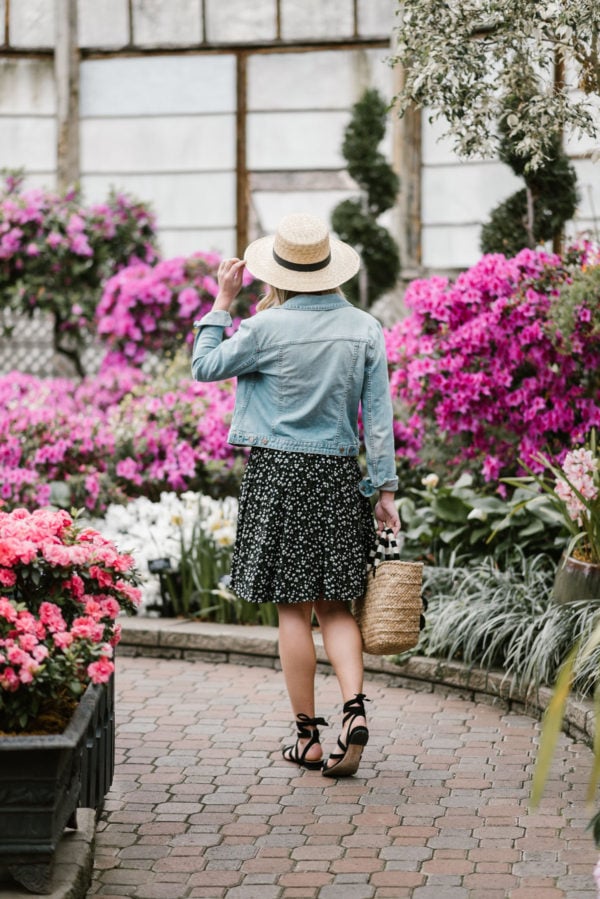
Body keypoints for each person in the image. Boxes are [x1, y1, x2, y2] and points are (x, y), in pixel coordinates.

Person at [191, 213, 400, 777]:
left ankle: (308, 739)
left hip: (278, 475)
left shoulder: (264, 329)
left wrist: (222, 300)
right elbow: (378, 420)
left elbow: (203, 365)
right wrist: (385, 490)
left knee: (293, 609)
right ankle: (354, 711)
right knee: (336, 604)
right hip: (336, 475)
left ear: (277, 271)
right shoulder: (364, 328)